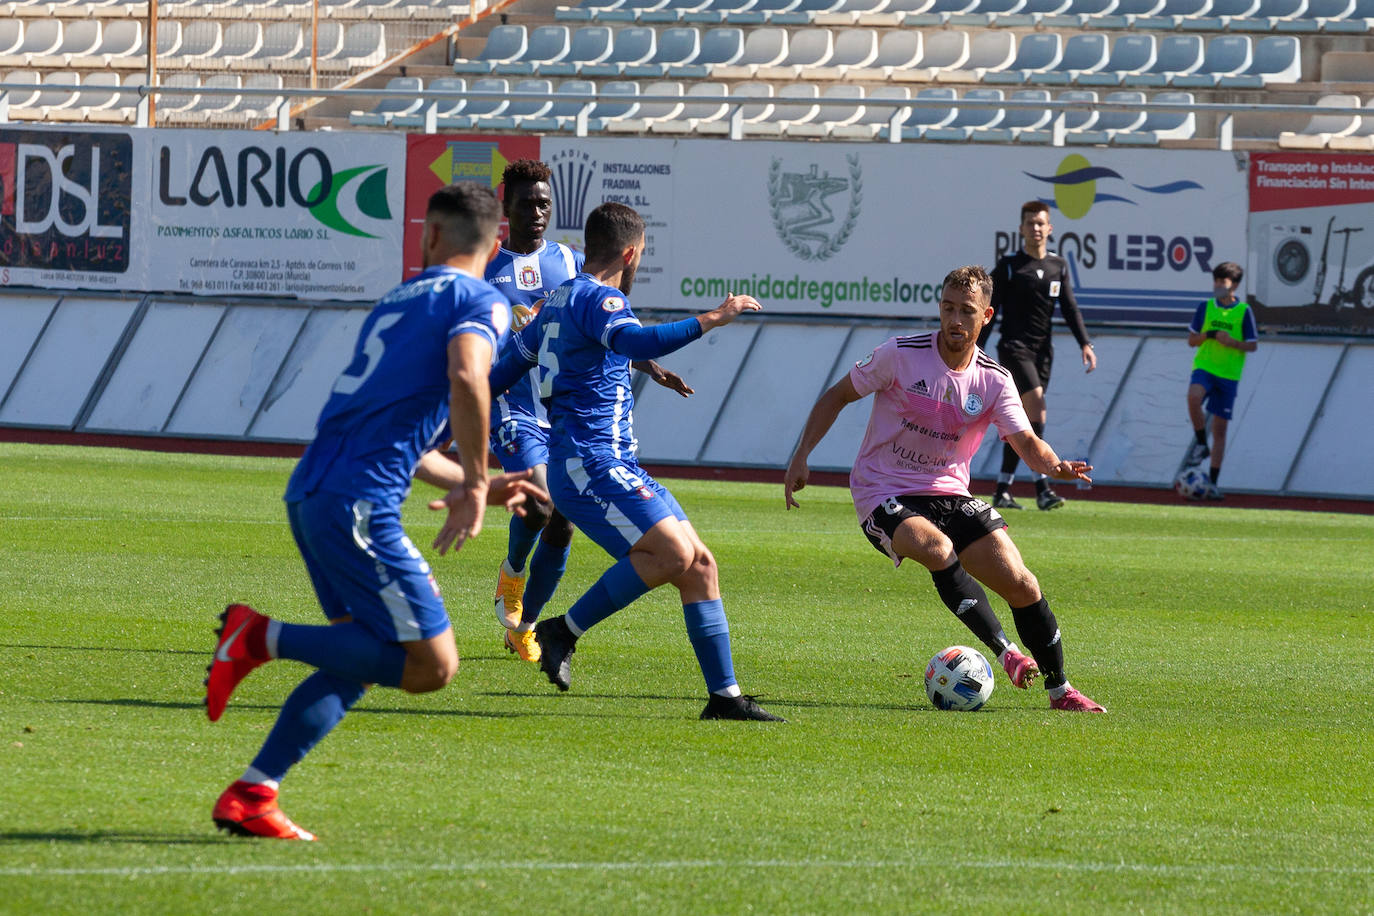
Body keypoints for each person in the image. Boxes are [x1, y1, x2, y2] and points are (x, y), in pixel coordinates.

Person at [204, 182, 547, 841]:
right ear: (496, 242)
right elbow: (470, 376)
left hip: (313, 493)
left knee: (364, 654)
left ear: (430, 237)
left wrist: (487, 481)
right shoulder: (482, 299)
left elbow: (404, 440)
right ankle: (258, 636)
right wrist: (477, 482)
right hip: (359, 503)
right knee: (431, 665)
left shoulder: (398, 302)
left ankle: (253, 793)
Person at [489, 201, 783, 722]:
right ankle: (563, 629)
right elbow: (635, 339)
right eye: (641, 254)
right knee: (672, 555)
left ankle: (725, 696)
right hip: (588, 463)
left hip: (610, 463)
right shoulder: (599, 299)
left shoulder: (556, 301)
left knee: (699, 565)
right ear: (630, 252)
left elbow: (506, 368)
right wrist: (717, 316)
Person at [784, 265, 1105, 713]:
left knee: (1022, 582)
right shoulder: (899, 354)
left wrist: (1056, 466)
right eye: (948, 308)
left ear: (986, 316)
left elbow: (1027, 441)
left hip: (949, 493)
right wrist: (801, 455)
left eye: (966, 311)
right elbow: (836, 395)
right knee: (936, 548)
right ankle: (1006, 652)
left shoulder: (995, 380)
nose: (955, 319)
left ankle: (1062, 691)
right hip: (882, 489)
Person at [486, 160, 692, 664]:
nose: (537, 212)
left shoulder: (571, 262)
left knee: (563, 524)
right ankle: (512, 575)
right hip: (513, 405)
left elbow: (600, 326)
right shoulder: (484, 273)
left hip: (564, 412)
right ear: (505, 205)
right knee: (541, 499)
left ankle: (526, 627)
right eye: (527, 203)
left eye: (544, 203)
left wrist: (648, 365)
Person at [980, 200, 1096, 512]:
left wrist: (1085, 343)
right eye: (1030, 223)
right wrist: (975, 348)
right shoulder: (1008, 266)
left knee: (1022, 421)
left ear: (1050, 228)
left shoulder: (1058, 266)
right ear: (1020, 229)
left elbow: (1070, 308)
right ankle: (1043, 487)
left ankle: (1003, 487)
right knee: (1038, 409)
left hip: (1043, 352)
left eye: (1040, 223)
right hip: (1014, 349)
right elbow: (987, 310)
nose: (1035, 228)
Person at [1184, 261, 1257, 500]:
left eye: (1222, 282)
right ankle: (1200, 443)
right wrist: (1211, 335)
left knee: (1221, 429)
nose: (1217, 286)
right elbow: (1192, 340)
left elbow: (1252, 344)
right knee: (1193, 397)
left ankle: (1213, 483)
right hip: (1205, 367)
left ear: (1234, 285)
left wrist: (1233, 343)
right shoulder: (1205, 307)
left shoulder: (1244, 311)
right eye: (1215, 281)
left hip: (1229, 375)